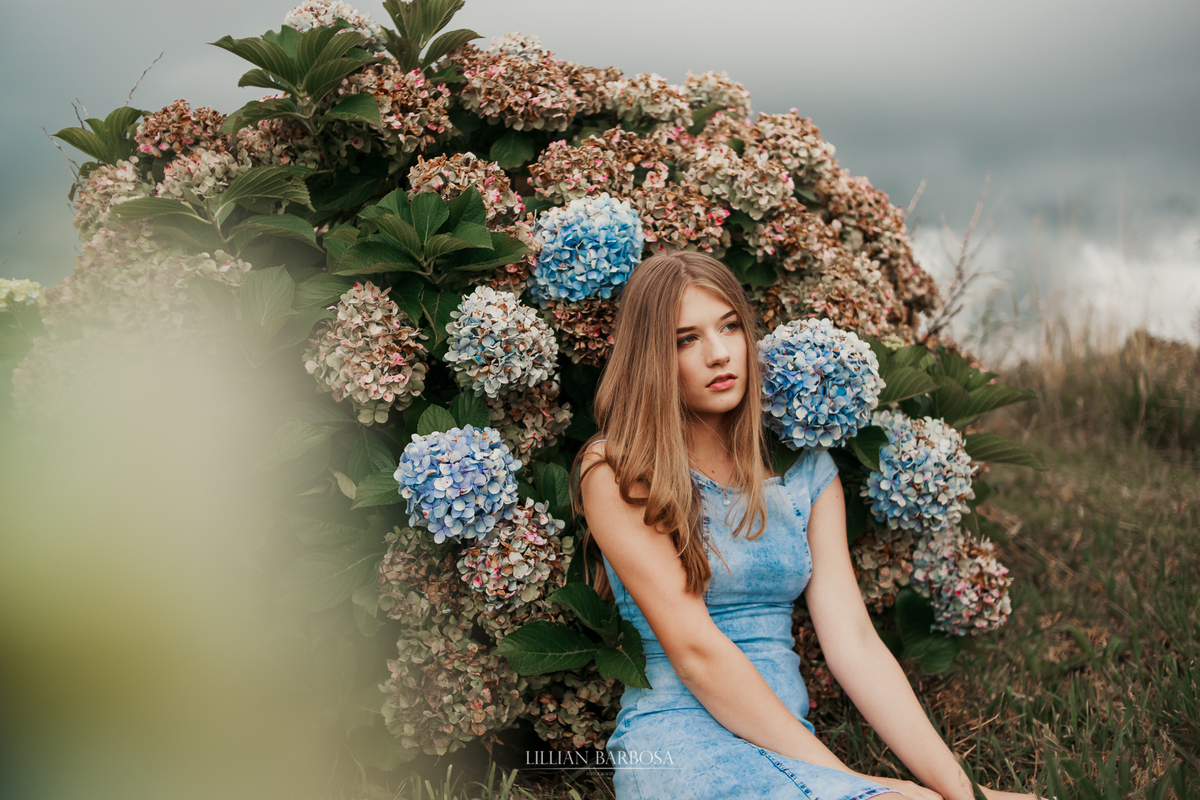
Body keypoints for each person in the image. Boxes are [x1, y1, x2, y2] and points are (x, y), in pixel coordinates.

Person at [571, 250, 1040, 800]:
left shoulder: (805, 469)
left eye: (729, 327)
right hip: (681, 748)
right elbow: (697, 655)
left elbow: (855, 644)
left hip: (788, 746)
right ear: (652, 358)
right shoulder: (618, 471)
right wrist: (854, 783)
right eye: (686, 339)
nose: (720, 354)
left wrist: (965, 793)